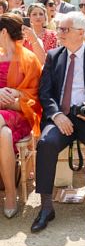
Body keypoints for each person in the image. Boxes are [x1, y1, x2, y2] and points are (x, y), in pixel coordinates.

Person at [32, 11, 85, 232]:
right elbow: (45, 93)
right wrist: (57, 115)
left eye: (64, 29)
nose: (58, 32)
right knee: (46, 143)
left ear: (81, 33)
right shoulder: (53, 56)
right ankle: (46, 206)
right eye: (59, 28)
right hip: (61, 117)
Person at [0, 13, 43, 218]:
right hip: (3, 120)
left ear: (3, 32)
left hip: (20, 112)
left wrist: (17, 96)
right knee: (4, 135)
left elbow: (36, 94)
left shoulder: (28, 58)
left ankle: (10, 192)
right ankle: (10, 192)